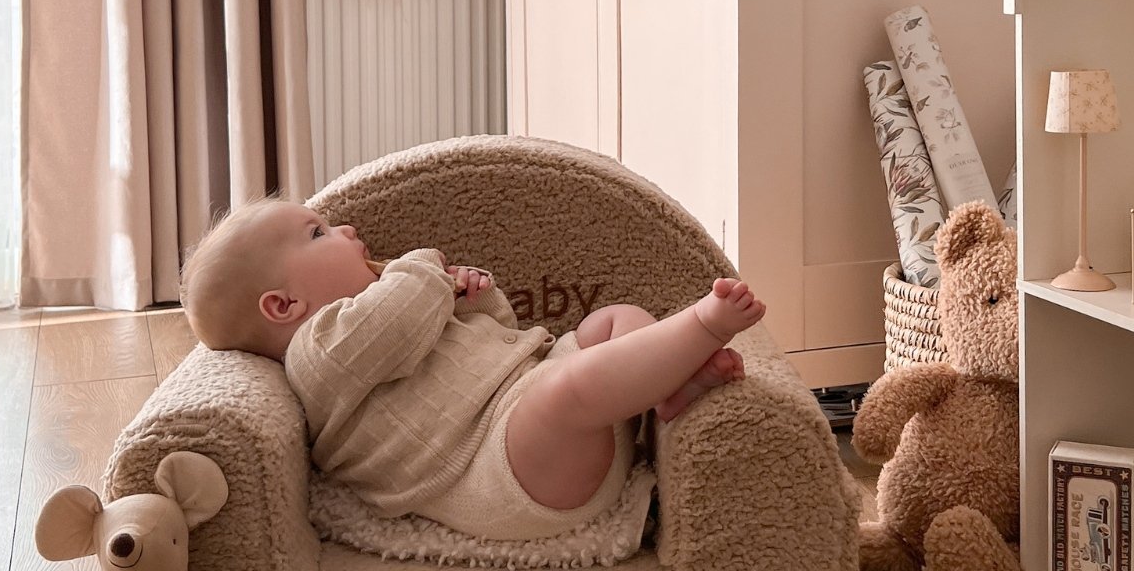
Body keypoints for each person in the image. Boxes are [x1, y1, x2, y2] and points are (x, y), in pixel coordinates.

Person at [180, 199, 765, 541]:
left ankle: (665, 388)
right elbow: (401, 314)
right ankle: (702, 328)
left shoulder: (385, 314)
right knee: (567, 391)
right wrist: (422, 266)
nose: (349, 231)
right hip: (505, 471)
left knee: (612, 322)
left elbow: (500, 337)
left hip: (530, 399)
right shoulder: (320, 351)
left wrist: (474, 299)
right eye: (319, 233)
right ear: (284, 306)